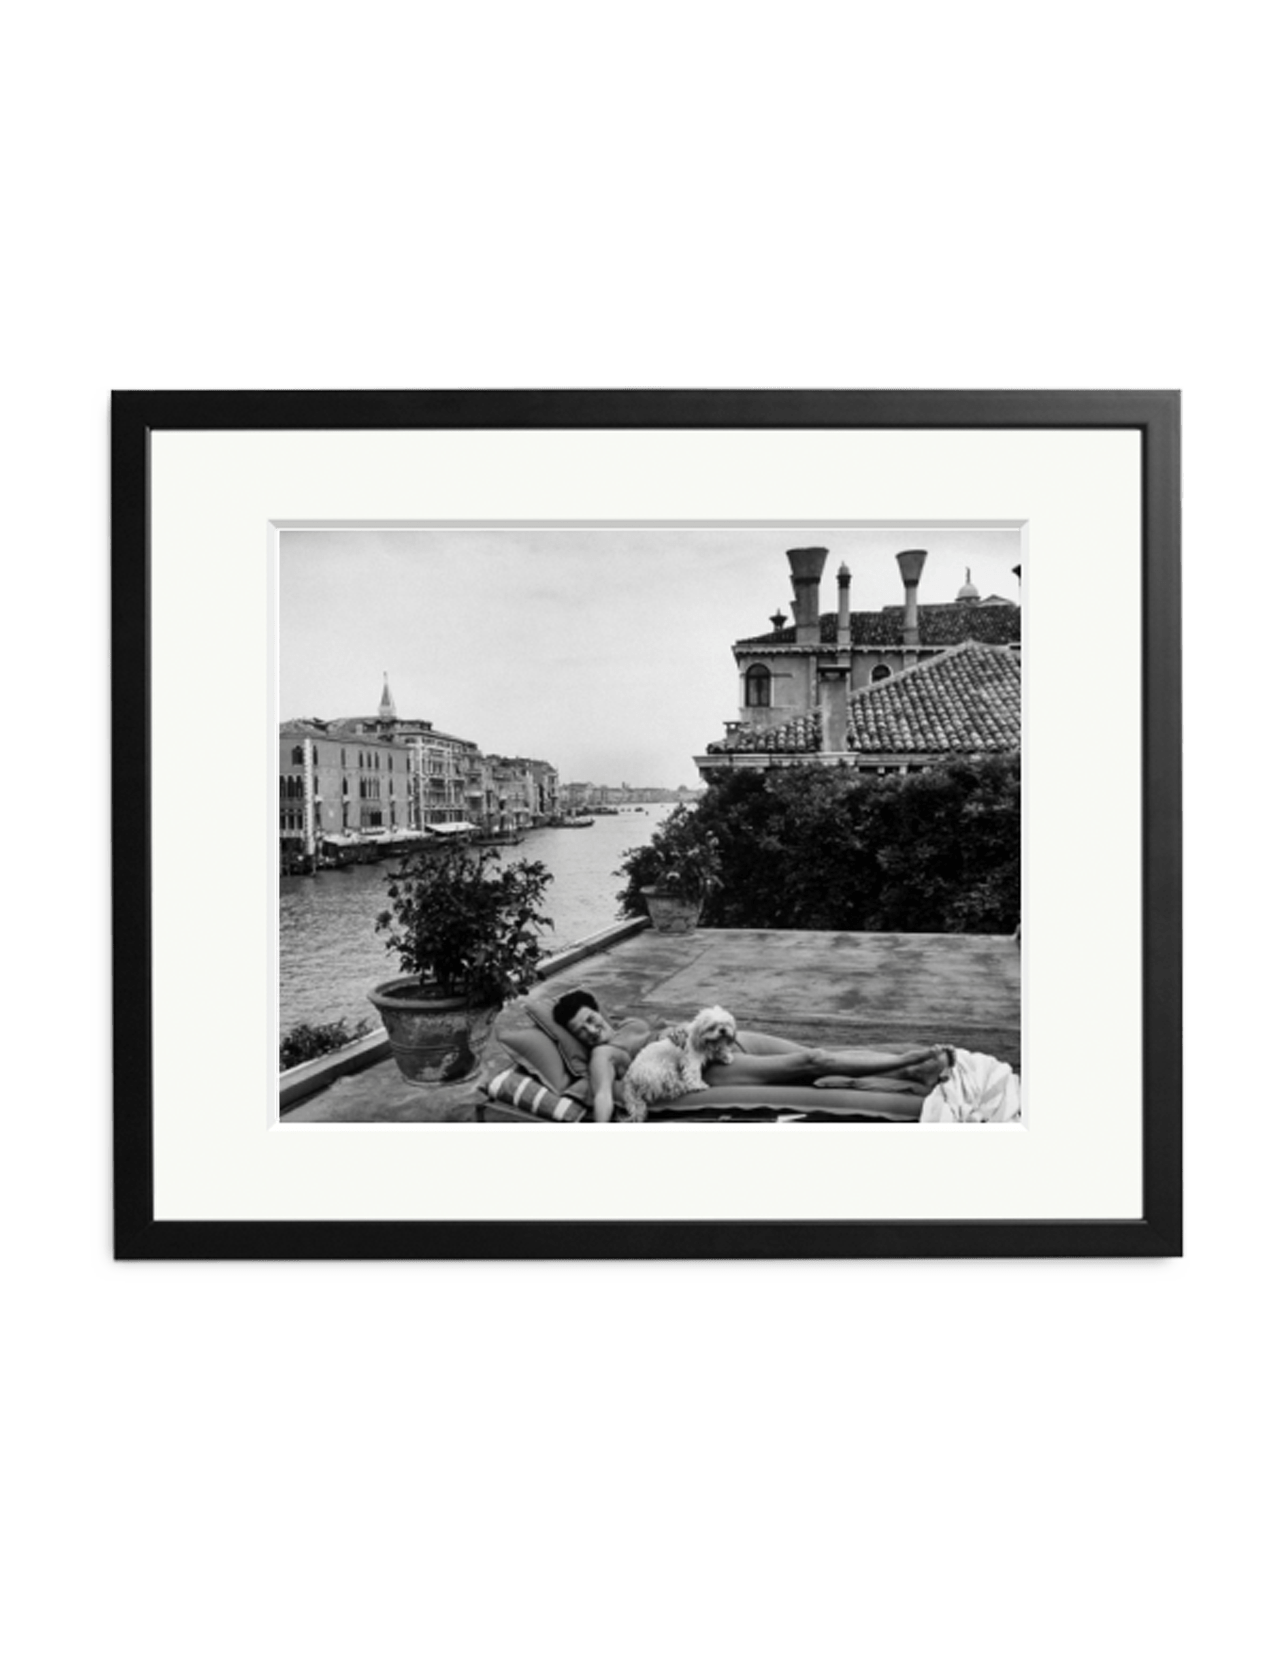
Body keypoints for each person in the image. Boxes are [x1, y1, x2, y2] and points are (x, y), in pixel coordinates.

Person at [550, 989, 953, 1122]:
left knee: (821, 1054)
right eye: (578, 1032)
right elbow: (603, 1092)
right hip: (708, 1064)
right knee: (815, 1064)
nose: (589, 1030)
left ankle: (916, 1071)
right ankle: (911, 1061)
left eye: (589, 1019)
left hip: (729, 1039)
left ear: (598, 1010)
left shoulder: (628, 1024)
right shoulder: (605, 1052)